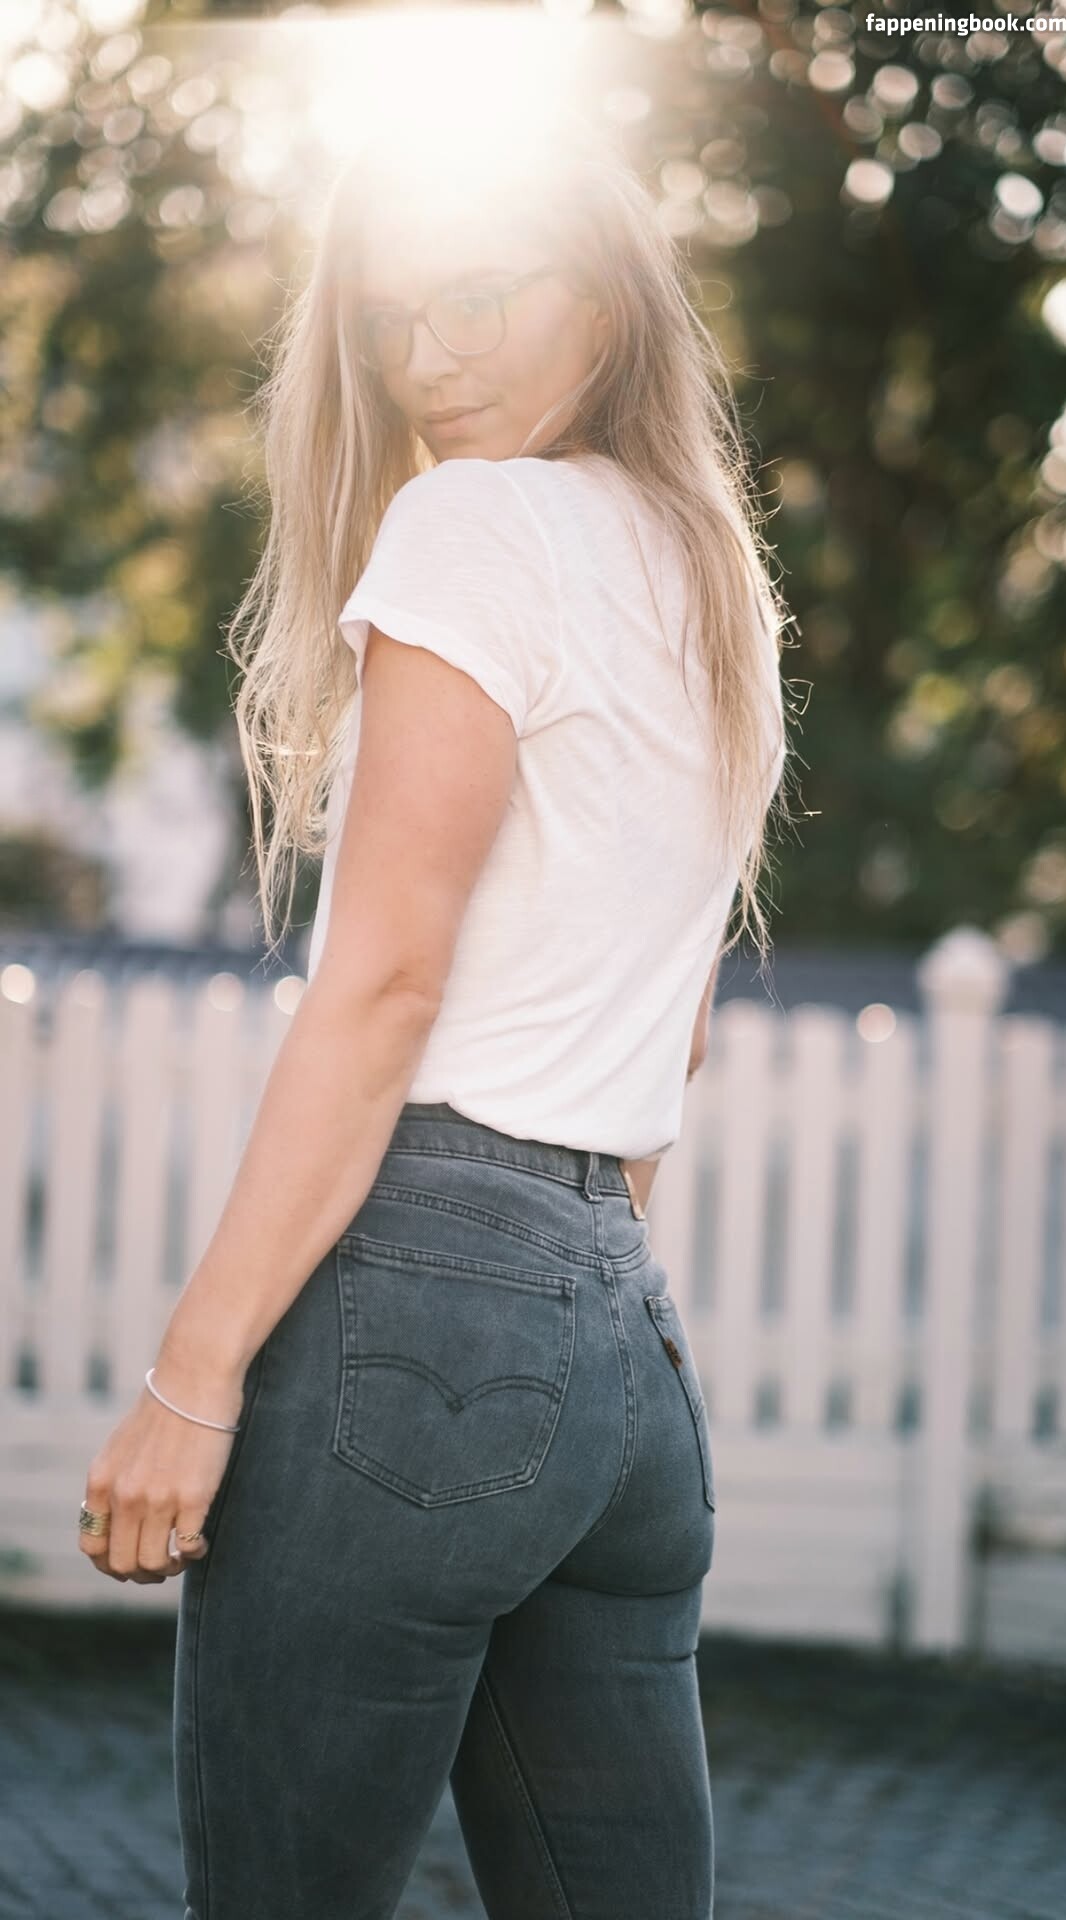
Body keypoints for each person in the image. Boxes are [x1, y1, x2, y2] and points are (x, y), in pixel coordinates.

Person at [78, 104, 791, 1920]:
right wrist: (564, 1314)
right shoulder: (709, 573)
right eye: (393, 317)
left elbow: (389, 984)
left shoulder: (476, 524)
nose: (426, 359)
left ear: (608, 295)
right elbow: (674, 1038)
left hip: (416, 1313)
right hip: (625, 1349)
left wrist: (190, 1380)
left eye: (479, 295)